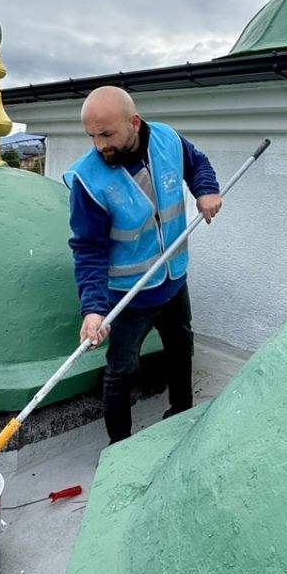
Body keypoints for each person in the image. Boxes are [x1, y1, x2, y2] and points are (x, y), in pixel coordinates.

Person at [62, 86, 222, 444]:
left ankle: (182, 414)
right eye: (91, 135)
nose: (99, 145)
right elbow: (88, 250)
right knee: (121, 370)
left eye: (107, 134)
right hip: (128, 295)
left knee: (181, 349)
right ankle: (119, 445)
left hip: (173, 279)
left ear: (133, 123)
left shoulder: (167, 140)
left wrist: (205, 189)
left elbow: (197, 163)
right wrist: (93, 310)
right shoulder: (88, 181)